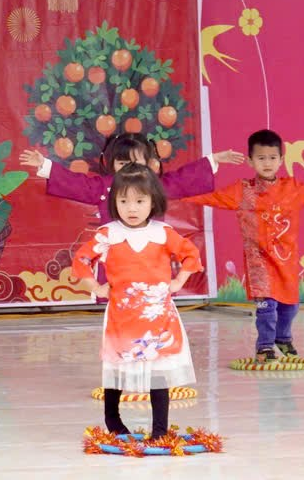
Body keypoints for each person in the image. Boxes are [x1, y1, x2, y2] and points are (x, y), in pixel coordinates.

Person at [185, 129, 304, 360]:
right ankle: (265, 346)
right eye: (261, 158)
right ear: (250, 161)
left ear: (281, 160)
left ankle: (283, 338)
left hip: (286, 262)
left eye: (272, 158)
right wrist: (164, 193)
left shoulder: (293, 189)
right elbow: (206, 196)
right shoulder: (242, 190)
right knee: (266, 308)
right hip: (258, 263)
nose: (267, 163)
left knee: (290, 307)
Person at [71, 163, 203, 440]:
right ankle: (113, 421)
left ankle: (160, 430)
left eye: (140, 201)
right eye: (124, 201)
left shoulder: (163, 233)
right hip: (122, 317)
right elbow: (82, 260)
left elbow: (191, 254)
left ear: (153, 201)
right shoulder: (108, 234)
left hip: (158, 317)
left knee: (158, 371)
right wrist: (96, 287)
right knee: (116, 367)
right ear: (114, 202)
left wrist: (179, 281)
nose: (132, 208)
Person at [19, 133, 245, 224]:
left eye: (136, 162)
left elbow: (183, 178)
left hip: (150, 247)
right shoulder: (104, 186)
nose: (129, 168)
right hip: (116, 247)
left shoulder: (156, 185)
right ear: (112, 164)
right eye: (122, 163)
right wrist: (45, 165)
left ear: (149, 163)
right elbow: (78, 184)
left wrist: (213, 160)